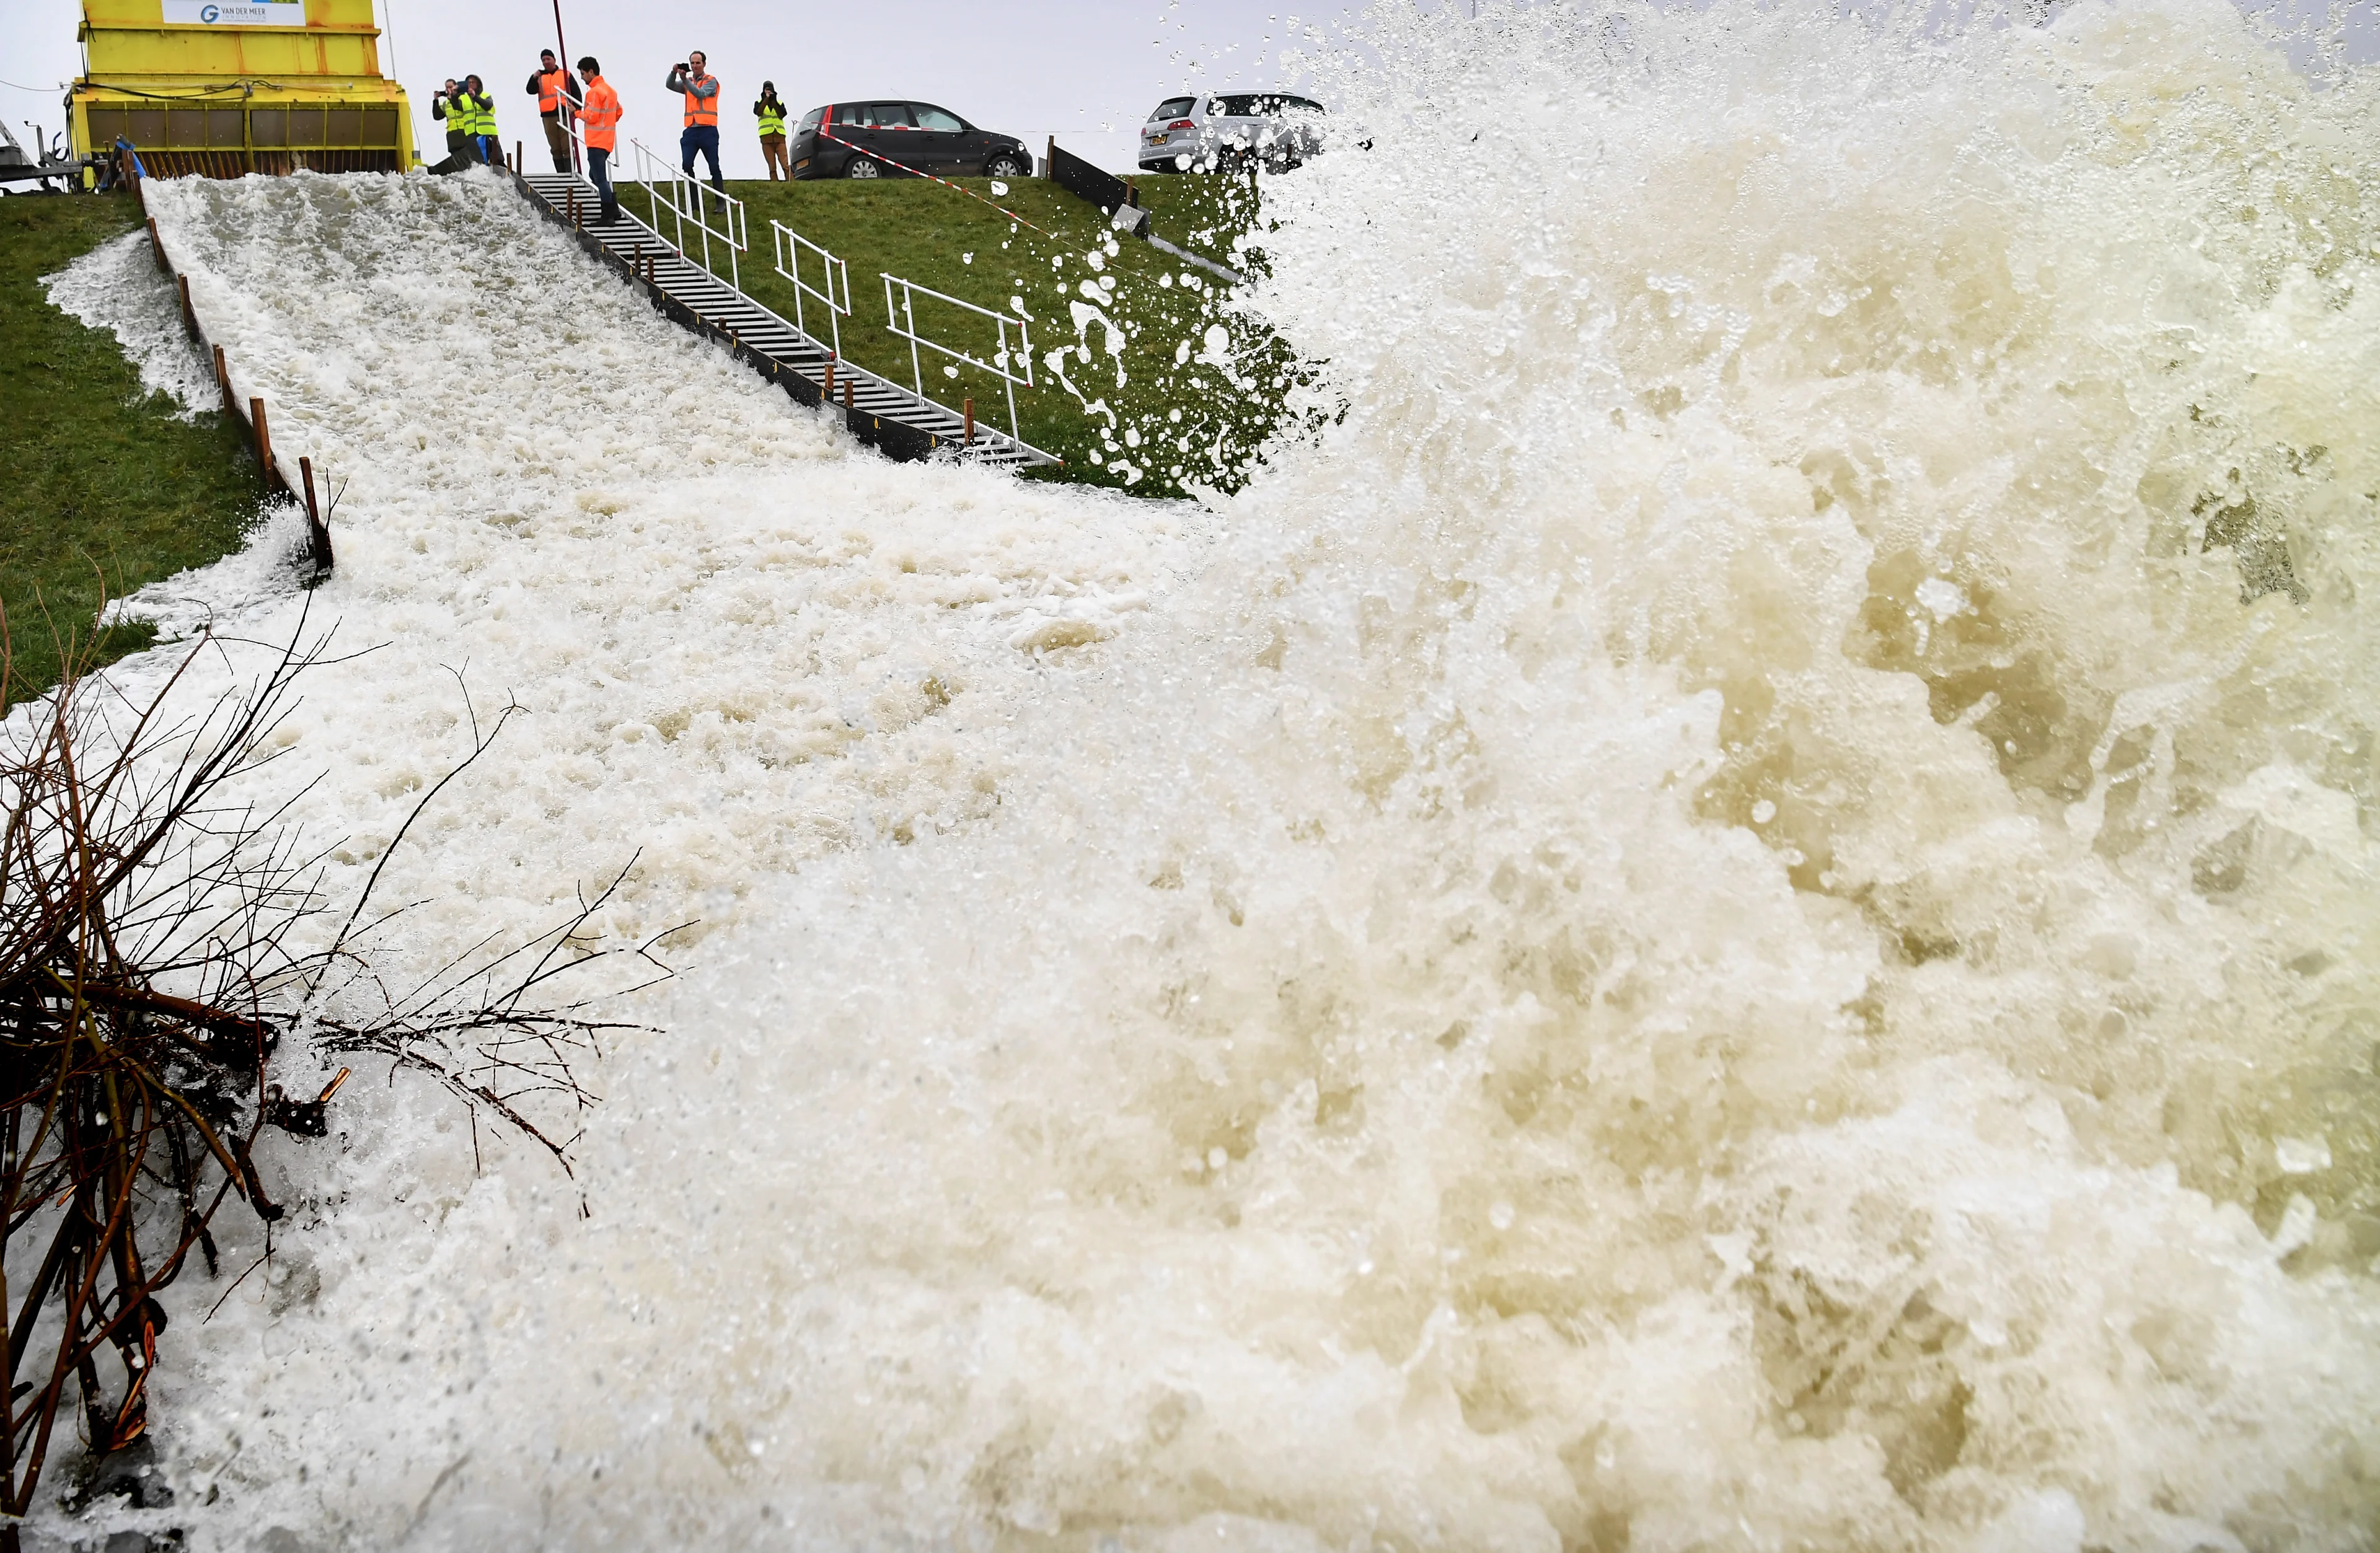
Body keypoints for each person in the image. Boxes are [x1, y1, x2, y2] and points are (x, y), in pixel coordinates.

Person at [664, 51, 723, 193]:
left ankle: (720, 200)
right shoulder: (688, 81)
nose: (695, 66)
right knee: (687, 165)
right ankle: (694, 202)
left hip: (708, 130)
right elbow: (670, 85)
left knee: (714, 166)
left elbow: (700, 94)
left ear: (704, 64)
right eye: (693, 63)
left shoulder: (711, 81)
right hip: (691, 130)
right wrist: (674, 73)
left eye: (698, 63)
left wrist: (684, 81)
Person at [578, 57, 622, 224]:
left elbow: (590, 116)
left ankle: (608, 216)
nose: (582, 77)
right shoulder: (610, 91)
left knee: (600, 178)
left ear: (591, 72)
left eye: (583, 73)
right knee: (594, 175)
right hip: (607, 141)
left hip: (596, 141)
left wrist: (575, 112)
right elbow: (619, 111)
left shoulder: (594, 92)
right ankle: (614, 210)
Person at [526, 49, 581, 173]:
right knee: (555, 148)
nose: (546, 62)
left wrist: (576, 111)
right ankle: (561, 174)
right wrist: (533, 77)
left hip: (564, 114)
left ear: (554, 60)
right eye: (543, 60)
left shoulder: (566, 74)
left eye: (548, 59)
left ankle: (570, 173)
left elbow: (576, 93)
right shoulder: (540, 77)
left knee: (567, 146)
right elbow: (530, 90)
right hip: (548, 116)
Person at [430, 77, 470, 172]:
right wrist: (436, 101)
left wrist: (454, 95)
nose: (448, 90)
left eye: (450, 87)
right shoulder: (445, 104)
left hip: (465, 132)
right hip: (453, 135)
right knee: (456, 160)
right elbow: (437, 116)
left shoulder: (463, 99)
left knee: (467, 157)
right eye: (447, 88)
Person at [456, 74, 496, 165]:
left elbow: (488, 105)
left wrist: (475, 97)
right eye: (468, 83)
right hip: (472, 133)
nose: (470, 84)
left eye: (472, 82)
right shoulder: (463, 98)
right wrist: (454, 95)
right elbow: (456, 106)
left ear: (478, 84)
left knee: (495, 159)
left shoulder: (486, 95)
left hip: (487, 132)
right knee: (476, 161)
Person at [754, 81, 788, 181]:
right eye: (766, 89)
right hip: (766, 138)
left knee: (785, 164)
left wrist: (773, 100)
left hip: (779, 136)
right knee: (772, 167)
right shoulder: (759, 102)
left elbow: (781, 114)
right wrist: (766, 99)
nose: (768, 91)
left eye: (770, 89)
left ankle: (791, 183)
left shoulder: (779, 103)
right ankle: (775, 185)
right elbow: (758, 112)